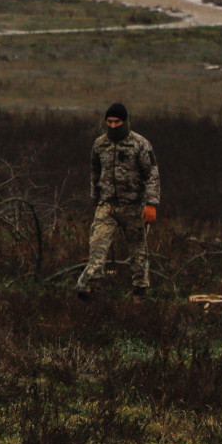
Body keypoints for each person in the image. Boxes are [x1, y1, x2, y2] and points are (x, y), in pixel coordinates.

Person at [75, 103, 160, 300]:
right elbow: (95, 174)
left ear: (125, 121)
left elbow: (152, 175)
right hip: (108, 205)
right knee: (97, 244)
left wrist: (151, 204)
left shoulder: (140, 144)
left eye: (117, 122)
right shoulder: (100, 144)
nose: (113, 126)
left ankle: (140, 290)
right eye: (110, 122)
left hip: (133, 206)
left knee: (138, 249)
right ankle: (95, 287)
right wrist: (96, 200)